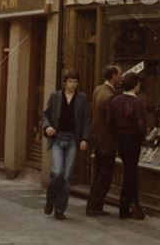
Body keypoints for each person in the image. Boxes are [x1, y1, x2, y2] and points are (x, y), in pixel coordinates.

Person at [42, 69, 91, 221]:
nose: (73, 84)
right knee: (57, 173)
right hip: (58, 138)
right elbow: (45, 115)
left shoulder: (82, 98)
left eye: (75, 82)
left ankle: (60, 209)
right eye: (70, 81)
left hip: (72, 140)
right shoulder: (55, 96)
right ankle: (50, 201)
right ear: (64, 82)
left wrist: (85, 139)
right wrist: (47, 126)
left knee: (67, 176)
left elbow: (86, 120)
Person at [110, 71, 146, 220]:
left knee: (129, 170)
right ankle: (127, 205)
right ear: (135, 85)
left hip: (120, 140)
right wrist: (141, 137)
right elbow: (141, 125)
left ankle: (127, 206)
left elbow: (110, 122)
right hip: (133, 140)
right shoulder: (137, 103)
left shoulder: (115, 101)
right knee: (131, 172)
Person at [86, 64, 121, 217]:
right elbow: (110, 122)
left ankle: (92, 205)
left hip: (97, 139)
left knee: (98, 173)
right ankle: (95, 206)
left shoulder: (98, 90)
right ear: (113, 76)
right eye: (119, 74)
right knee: (105, 175)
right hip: (107, 141)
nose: (121, 77)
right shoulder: (110, 96)